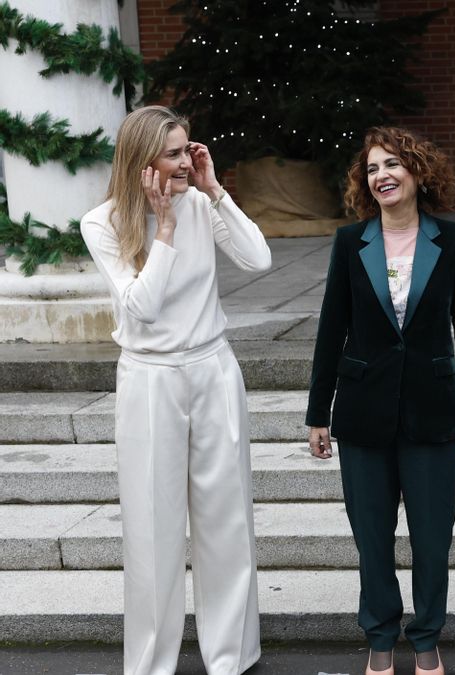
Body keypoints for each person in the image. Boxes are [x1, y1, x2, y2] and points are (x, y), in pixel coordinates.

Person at [80, 105, 270, 675]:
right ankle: (151, 663)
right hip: (150, 379)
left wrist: (215, 192)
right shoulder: (102, 222)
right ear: (142, 162)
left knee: (226, 520)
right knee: (152, 526)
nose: (186, 161)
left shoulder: (198, 201)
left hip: (213, 368)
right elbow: (141, 306)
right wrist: (161, 229)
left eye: (189, 149)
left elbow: (258, 258)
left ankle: (231, 657)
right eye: (174, 153)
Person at [305, 127, 455, 675]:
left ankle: (427, 636)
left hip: (433, 410)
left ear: (417, 171)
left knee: (433, 540)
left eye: (392, 165)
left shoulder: (452, 240)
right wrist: (319, 413)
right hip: (362, 413)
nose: (381, 175)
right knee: (373, 541)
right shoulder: (350, 242)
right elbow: (331, 327)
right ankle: (380, 638)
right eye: (372, 169)